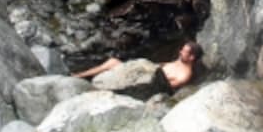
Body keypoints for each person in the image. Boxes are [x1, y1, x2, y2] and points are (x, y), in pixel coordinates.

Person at [72, 41, 203, 89]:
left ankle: (83, 80)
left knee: (112, 64)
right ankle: (80, 76)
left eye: (184, 52)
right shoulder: (179, 61)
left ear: (191, 57)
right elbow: (160, 66)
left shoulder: (184, 75)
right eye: (182, 49)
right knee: (113, 61)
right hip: (144, 72)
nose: (180, 52)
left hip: (144, 81)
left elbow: (164, 86)